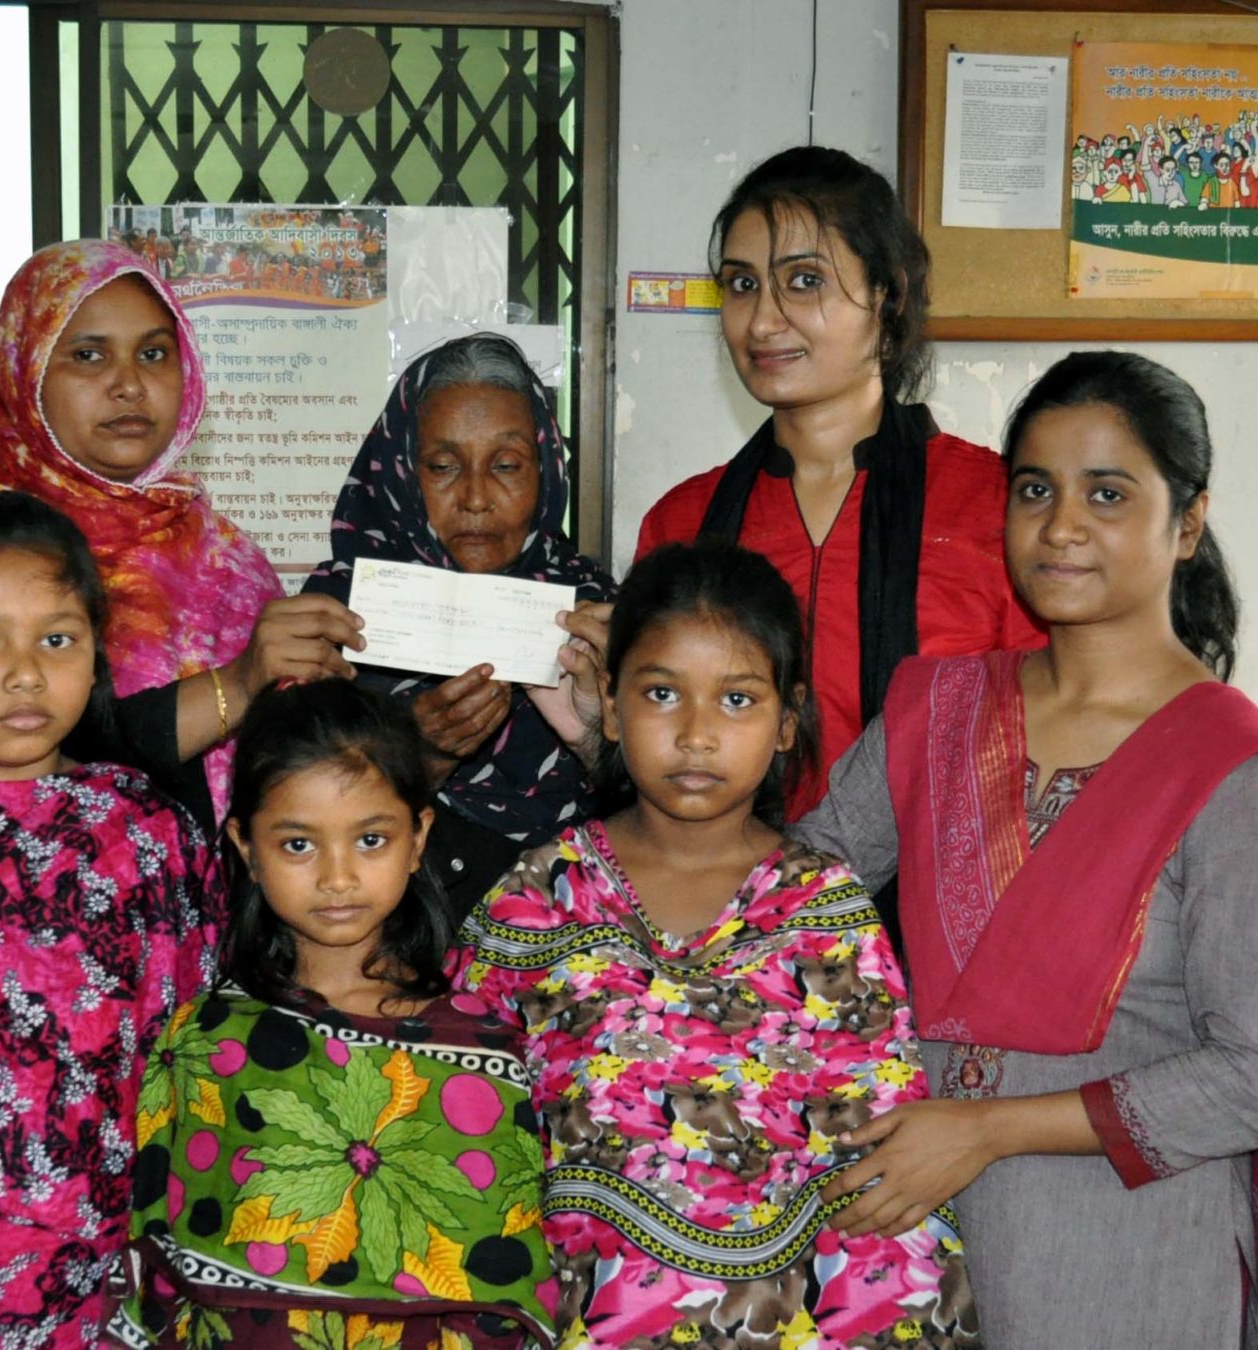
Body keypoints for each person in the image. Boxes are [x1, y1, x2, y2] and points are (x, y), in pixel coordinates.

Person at [796, 352, 1258, 1347]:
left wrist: (985, 1130)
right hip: (911, 1253)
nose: (1061, 527)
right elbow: (784, 906)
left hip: (1132, 1258)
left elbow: (1251, 1071)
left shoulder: (1230, 762)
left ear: (1187, 524)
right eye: (1036, 490)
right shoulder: (937, 709)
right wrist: (627, 750)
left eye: (1108, 493)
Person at [459, 541, 981, 1350]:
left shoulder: (825, 908)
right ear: (610, 703)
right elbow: (467, 1126)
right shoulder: (537, 898)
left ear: (787, 721)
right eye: (662, 693)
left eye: (737, 699)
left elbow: (880, 1170)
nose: (697, 733)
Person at [107, 679, 556, 1349]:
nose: (338, 877)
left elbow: (503, 1281)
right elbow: (160, 1260)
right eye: (298, 845)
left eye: (371, 839)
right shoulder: (205, 1038)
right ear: (247, 849)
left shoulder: (487, 1049)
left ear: (417, 838)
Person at [636, 146, 1040, 827]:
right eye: (741, 285)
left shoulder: (997, 507)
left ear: (888, 295)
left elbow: (1057, 738)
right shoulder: (684, 524)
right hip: (731, 885)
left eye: (804, 281)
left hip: (946, 884)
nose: (762, 321)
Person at [0, 491, 221, 1347]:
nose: (25, 673)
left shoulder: (147, 833)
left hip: (130, 1276)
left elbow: (199, 1053)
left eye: (58, 639)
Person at [0, 240, 360, 825]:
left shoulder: (223, 558)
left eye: (153, 353)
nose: (129, 384)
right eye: (89, 355)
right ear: (28, 367)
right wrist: (235, 686)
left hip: (195, 871)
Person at [307, 333, 614, 917]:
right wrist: (419, 758)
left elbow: (671, 809)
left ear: (546, 469)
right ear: (401, 470)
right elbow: (291, 824)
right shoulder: (336, 616)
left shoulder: (594, 613)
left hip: (578, 930)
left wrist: (600, 737)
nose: (475, 498)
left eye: (507, 465)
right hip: (388, 928)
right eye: (443, 467)